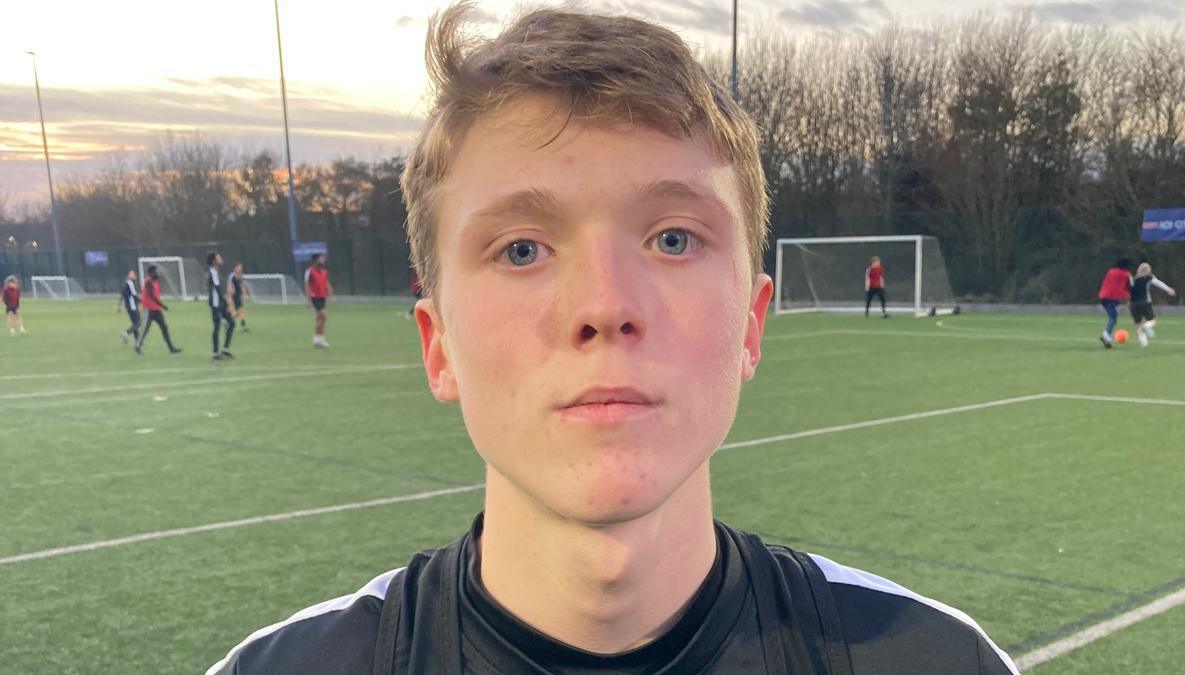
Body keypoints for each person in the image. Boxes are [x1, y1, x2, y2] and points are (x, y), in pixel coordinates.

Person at [208, 6, 1017, 675]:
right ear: (439, 344)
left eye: (671, 238)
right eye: (521, 248)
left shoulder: (939, 661)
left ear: (750, 324)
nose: (604, 305)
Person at [135, 265, 181, 355]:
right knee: (145, 329)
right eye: (155, 272)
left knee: (164, 328)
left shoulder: (155, 282)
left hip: (156, 309)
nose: (157, 273)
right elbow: (152, 296)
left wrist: (160, 306)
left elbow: (157, 294)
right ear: (151, 273)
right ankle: (137, 347)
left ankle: (171, 348)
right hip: (149, 309)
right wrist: (163, 305)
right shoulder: (148, 282)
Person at [1130, 262, 1176, 347]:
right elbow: (1158, 283)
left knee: (1138, 324)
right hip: (1144, 302)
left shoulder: (1133, 279)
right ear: (1148, 270)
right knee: (1152, 320)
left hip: (1133, 304)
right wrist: (1168, 289)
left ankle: (1144, 343)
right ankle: (1146, 326)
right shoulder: (1149, 277)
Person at [1097, 257, 1132, 348]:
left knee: (1113, 316)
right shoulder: (1125, 274)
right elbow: (1126, 287)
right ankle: (1106, 334)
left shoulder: (1111, 271)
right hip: (1112, 297)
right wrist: (1128, 298)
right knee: (1113, 317)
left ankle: (1107, 338)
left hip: (1103, 296)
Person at [206, 252, 235, 360]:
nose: (221, 259)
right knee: (217, 327)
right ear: (214, 261)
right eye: (219, 258)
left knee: (231, 323)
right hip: (216, 305)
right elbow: (217, 290)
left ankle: (225, 350)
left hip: (220, 304)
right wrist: (226, 302)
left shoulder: (217, 273)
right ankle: (215, 353)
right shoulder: (213, 272)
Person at [304, 253, 331, 348]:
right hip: (314, 297)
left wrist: (330, 294)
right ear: (316, 260)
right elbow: (307, 285)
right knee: (323, 317)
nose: (323, 260)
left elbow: (326, 283)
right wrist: (307, 300)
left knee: (320, 318)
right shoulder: (309, 271)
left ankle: (320, 339)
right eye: (321, 259)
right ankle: (316, 338)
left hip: (322, 296)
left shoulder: (324, 272)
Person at [118, 269, 141, 344]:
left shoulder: (125, 284)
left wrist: (119, 306)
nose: (134, 275)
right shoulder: (130, 283)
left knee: (135, 323)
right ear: (128, 275)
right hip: (132, 306)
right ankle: (126, 333)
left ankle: (138, 340)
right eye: (132, 273)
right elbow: (134, 295)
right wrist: (142, 302)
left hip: (128, 306)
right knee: (138, 323)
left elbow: (122, 295)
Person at [228, 262, 250, 332]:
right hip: (234, 296)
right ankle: (242, 326)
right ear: (235, 268)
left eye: (241, 267)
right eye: (239, 267)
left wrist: (245, 294)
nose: (241, 269)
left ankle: (228, 320)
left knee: (238, 312)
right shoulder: (232, 276)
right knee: (241, 310)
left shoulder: (240, 276)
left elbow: (242, 285)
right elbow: (230, 286)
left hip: (238, 296)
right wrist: (230, 296)